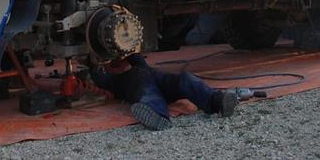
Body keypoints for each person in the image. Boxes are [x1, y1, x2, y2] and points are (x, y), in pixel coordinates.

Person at [90, 53, 237, 131]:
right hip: (129, 82)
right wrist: (94, 60)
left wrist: (126, 48)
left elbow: (136, 57)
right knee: (140, 76)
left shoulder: (130, 58)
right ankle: (156, 113)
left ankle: (216, 100)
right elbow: (101, 79)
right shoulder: (107, 74)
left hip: (150, 77)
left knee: (184, 79)